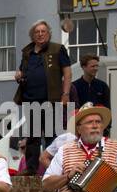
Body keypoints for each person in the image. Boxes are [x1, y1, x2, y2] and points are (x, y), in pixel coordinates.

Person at [13, 20, 73, 174]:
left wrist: (65, 94)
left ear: (49, 33)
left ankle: (54, 168)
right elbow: (22, 71)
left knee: (52, 136)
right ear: (32, 35)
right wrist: (18, 75)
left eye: (43, 31)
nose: (40, 34)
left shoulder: (58, 49)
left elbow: (67, 72)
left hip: (52, 100)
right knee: (32, 137)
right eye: (37, 32)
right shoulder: (27, 52)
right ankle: (31, 169)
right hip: (31, 99)